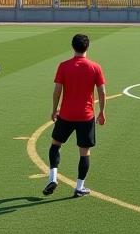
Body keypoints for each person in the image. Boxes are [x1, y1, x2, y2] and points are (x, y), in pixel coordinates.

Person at [43, 33, 106, 199]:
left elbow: (57, 90)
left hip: (66, 115)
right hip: (86, 116)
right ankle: (79, 187)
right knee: (84, 153)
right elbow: (102, 91)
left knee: (55, 144)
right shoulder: (95, 67)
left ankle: (53, 178)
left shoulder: (64, 66)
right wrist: (102, 112)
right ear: (88, 47)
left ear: (73, 46)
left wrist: (54, 109)